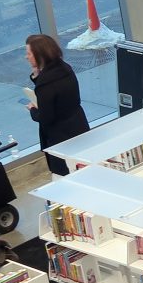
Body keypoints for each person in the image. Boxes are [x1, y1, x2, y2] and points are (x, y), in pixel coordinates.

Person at [25, 32, 89, 176]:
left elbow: (46, 117)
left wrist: (33, 110)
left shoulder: (45, 83)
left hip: (60, 137)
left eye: (29, 53)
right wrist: (37, 76)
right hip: (78, 125)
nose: (26, 57)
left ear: (39, 55)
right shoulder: (65, 68)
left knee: (66, 173)